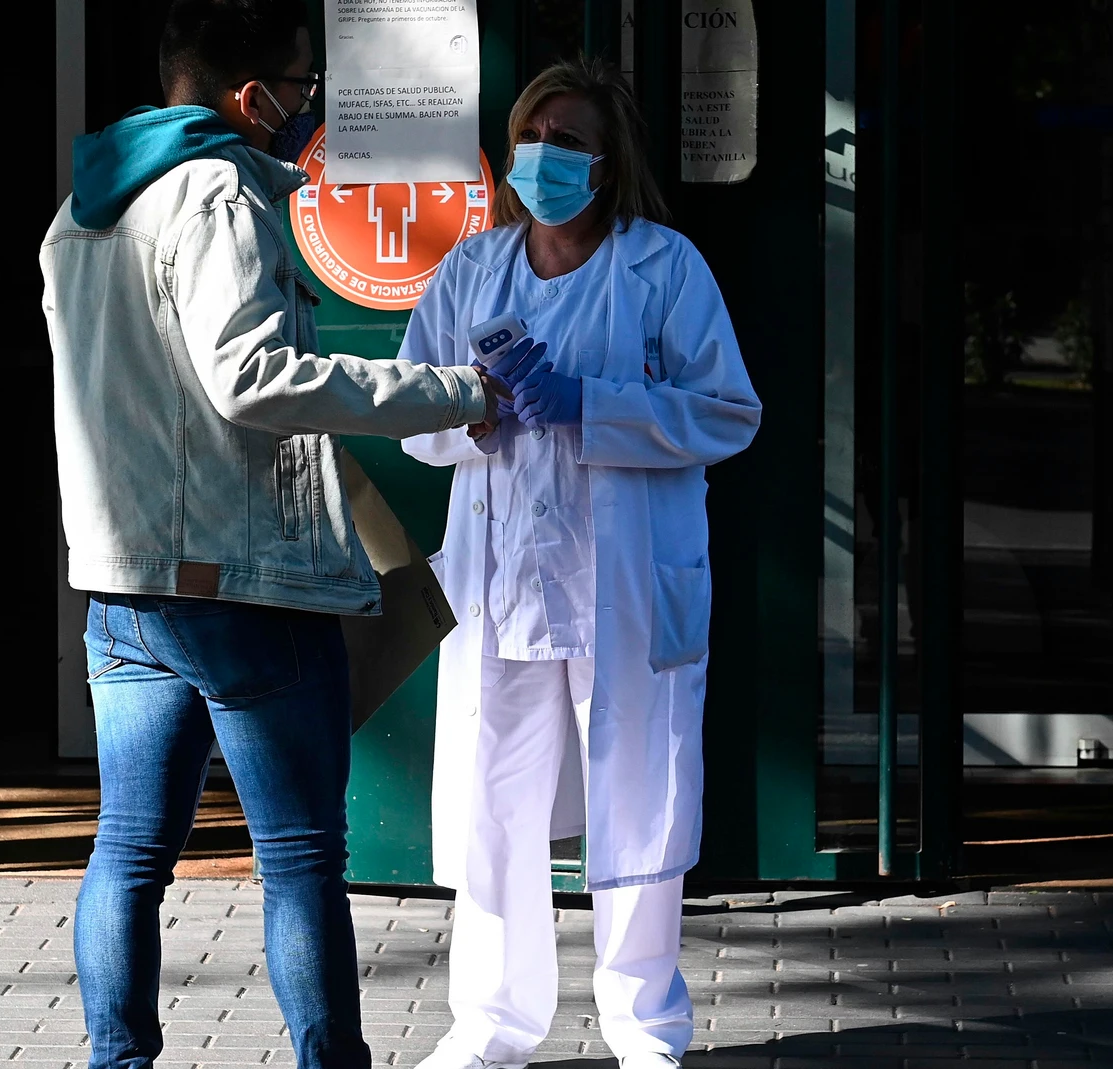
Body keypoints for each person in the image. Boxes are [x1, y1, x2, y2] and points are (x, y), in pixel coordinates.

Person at [38, 2, 509, 1067]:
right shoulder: (217, 192)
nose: (308, 113)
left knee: (127, 852)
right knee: (300, 861)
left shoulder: (79, 212)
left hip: (127, 586)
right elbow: (250, 377)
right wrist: (453, 389)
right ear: (250, 98)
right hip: (243, 583)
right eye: (301, 90)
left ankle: (118, 1061)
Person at [397, 57, 762, 1069]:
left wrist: (590, 405)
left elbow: (727, 412)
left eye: (567, 140)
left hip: (623, 583)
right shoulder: (470, 267)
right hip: (504, 578)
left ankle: (645, 1031)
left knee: (638, 800)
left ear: (607, 162)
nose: (544, 156)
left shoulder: (665, 266)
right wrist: (474, 405)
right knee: (492, 806)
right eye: (533, 135)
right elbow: (409, 413)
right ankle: (490, 1029)